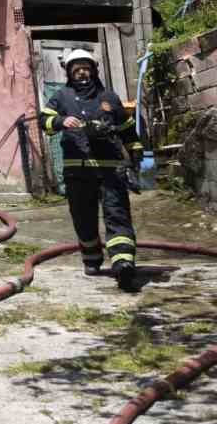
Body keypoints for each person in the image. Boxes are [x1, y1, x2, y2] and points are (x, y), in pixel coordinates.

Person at [42, 49, 143, 289]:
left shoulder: (109, 98)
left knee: (117, 214)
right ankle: (92, 258)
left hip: (110, 170)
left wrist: (137, 152)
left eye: (85, 68)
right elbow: (43, 120)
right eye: (76, 69)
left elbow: (128, 128)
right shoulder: (61, 97)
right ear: (69, 73)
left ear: (94, 70)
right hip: (78, 172)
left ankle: (123, 264)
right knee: (83, 218)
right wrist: (60, 121)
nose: (81, 73)